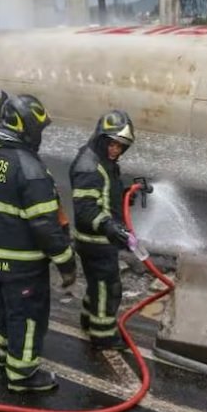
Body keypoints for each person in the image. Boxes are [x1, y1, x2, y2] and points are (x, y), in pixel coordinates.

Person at [0, 94, 75, 393]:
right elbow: (45, 226)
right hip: (23, 265)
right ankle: (23, 376)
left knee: (6, 313)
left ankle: (5, 357)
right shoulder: (30, 169)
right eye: (39, 129)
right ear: (26, 127)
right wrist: (66, 261)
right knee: (28, 318)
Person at [69, 110, 137, 350]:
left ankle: (88, 320)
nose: (116, 150)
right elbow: (86, 210)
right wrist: (109, 226)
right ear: (101, 138)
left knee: (97, 284)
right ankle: (103, 335)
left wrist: (127, 194)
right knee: (109, 288)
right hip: (95, 241)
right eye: (113, 144)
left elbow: (106, 194)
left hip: (99, 240)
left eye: (121, 146)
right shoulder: (89, 167)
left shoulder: (104, 162)